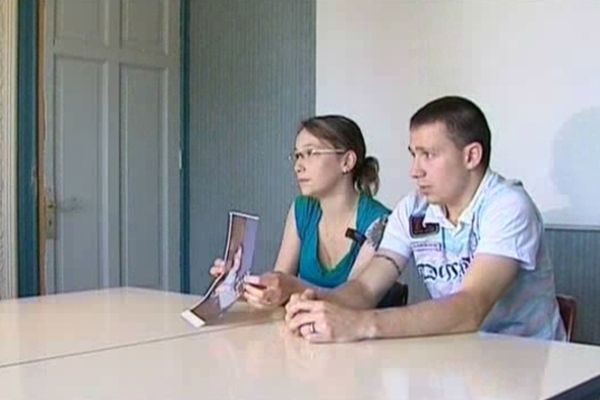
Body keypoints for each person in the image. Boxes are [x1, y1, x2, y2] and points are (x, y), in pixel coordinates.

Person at [285, 96, 567, 342]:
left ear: (471, 156)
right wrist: (318, 304)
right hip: (460, 355)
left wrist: (361, 324)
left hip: (527, 362)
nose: (415, 171)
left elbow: (471, 307)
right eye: (413, 155)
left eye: (429, 155)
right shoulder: (412, 210)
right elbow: (366, 287)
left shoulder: (507, 205)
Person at [210, 115, 390, 309]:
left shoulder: (380, 222)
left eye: (310, 153)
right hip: (305, 333)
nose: (298, 166)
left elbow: (353, 301)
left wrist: (294, 287)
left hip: (360, 337)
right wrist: (241, 287)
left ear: (347, 161)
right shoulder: (301, 209)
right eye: (297, 156)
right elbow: (279, 285)